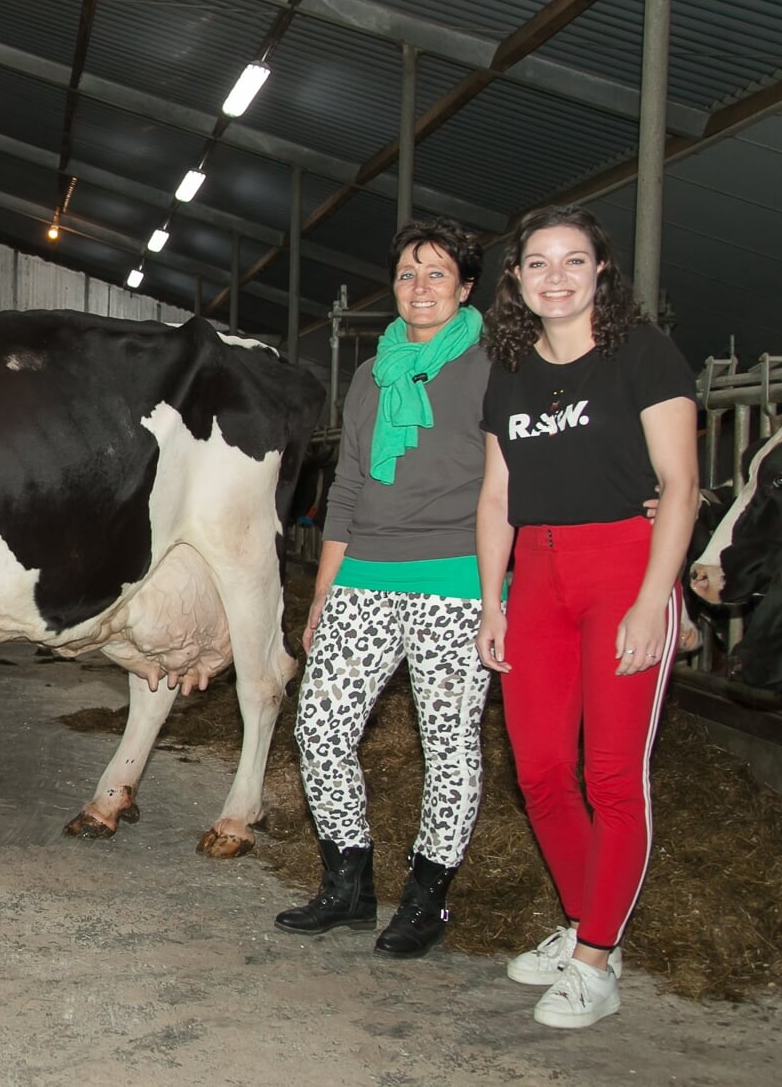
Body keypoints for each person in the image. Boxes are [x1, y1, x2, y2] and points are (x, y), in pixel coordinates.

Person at [475, 204, 698, 1029]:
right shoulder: (509, 370)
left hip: (622, 572)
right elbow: (496, 495)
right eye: (538, 263)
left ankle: (598, 961)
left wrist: (651, 601)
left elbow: (678, 485)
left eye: (574, 260)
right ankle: (586, 924)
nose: (556, 277)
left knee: (611, 775)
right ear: (518, 280)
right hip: (537, 572)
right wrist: (492, 601)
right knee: (538, 773)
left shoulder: (643, 355)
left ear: (602, 271)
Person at [275, 219, 493, 960]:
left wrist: (501, 593)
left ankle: (428, 898)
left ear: (466, 287)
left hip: (456, 579)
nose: (420, 288)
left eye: (438, 275)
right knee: (319, 728)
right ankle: (350, 884)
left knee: (448, 743)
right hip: (364, 572)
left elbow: (515, 484)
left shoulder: (498, 365)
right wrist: (322, 598)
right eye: (407, 274)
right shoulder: (372, 376)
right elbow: (347, 490)